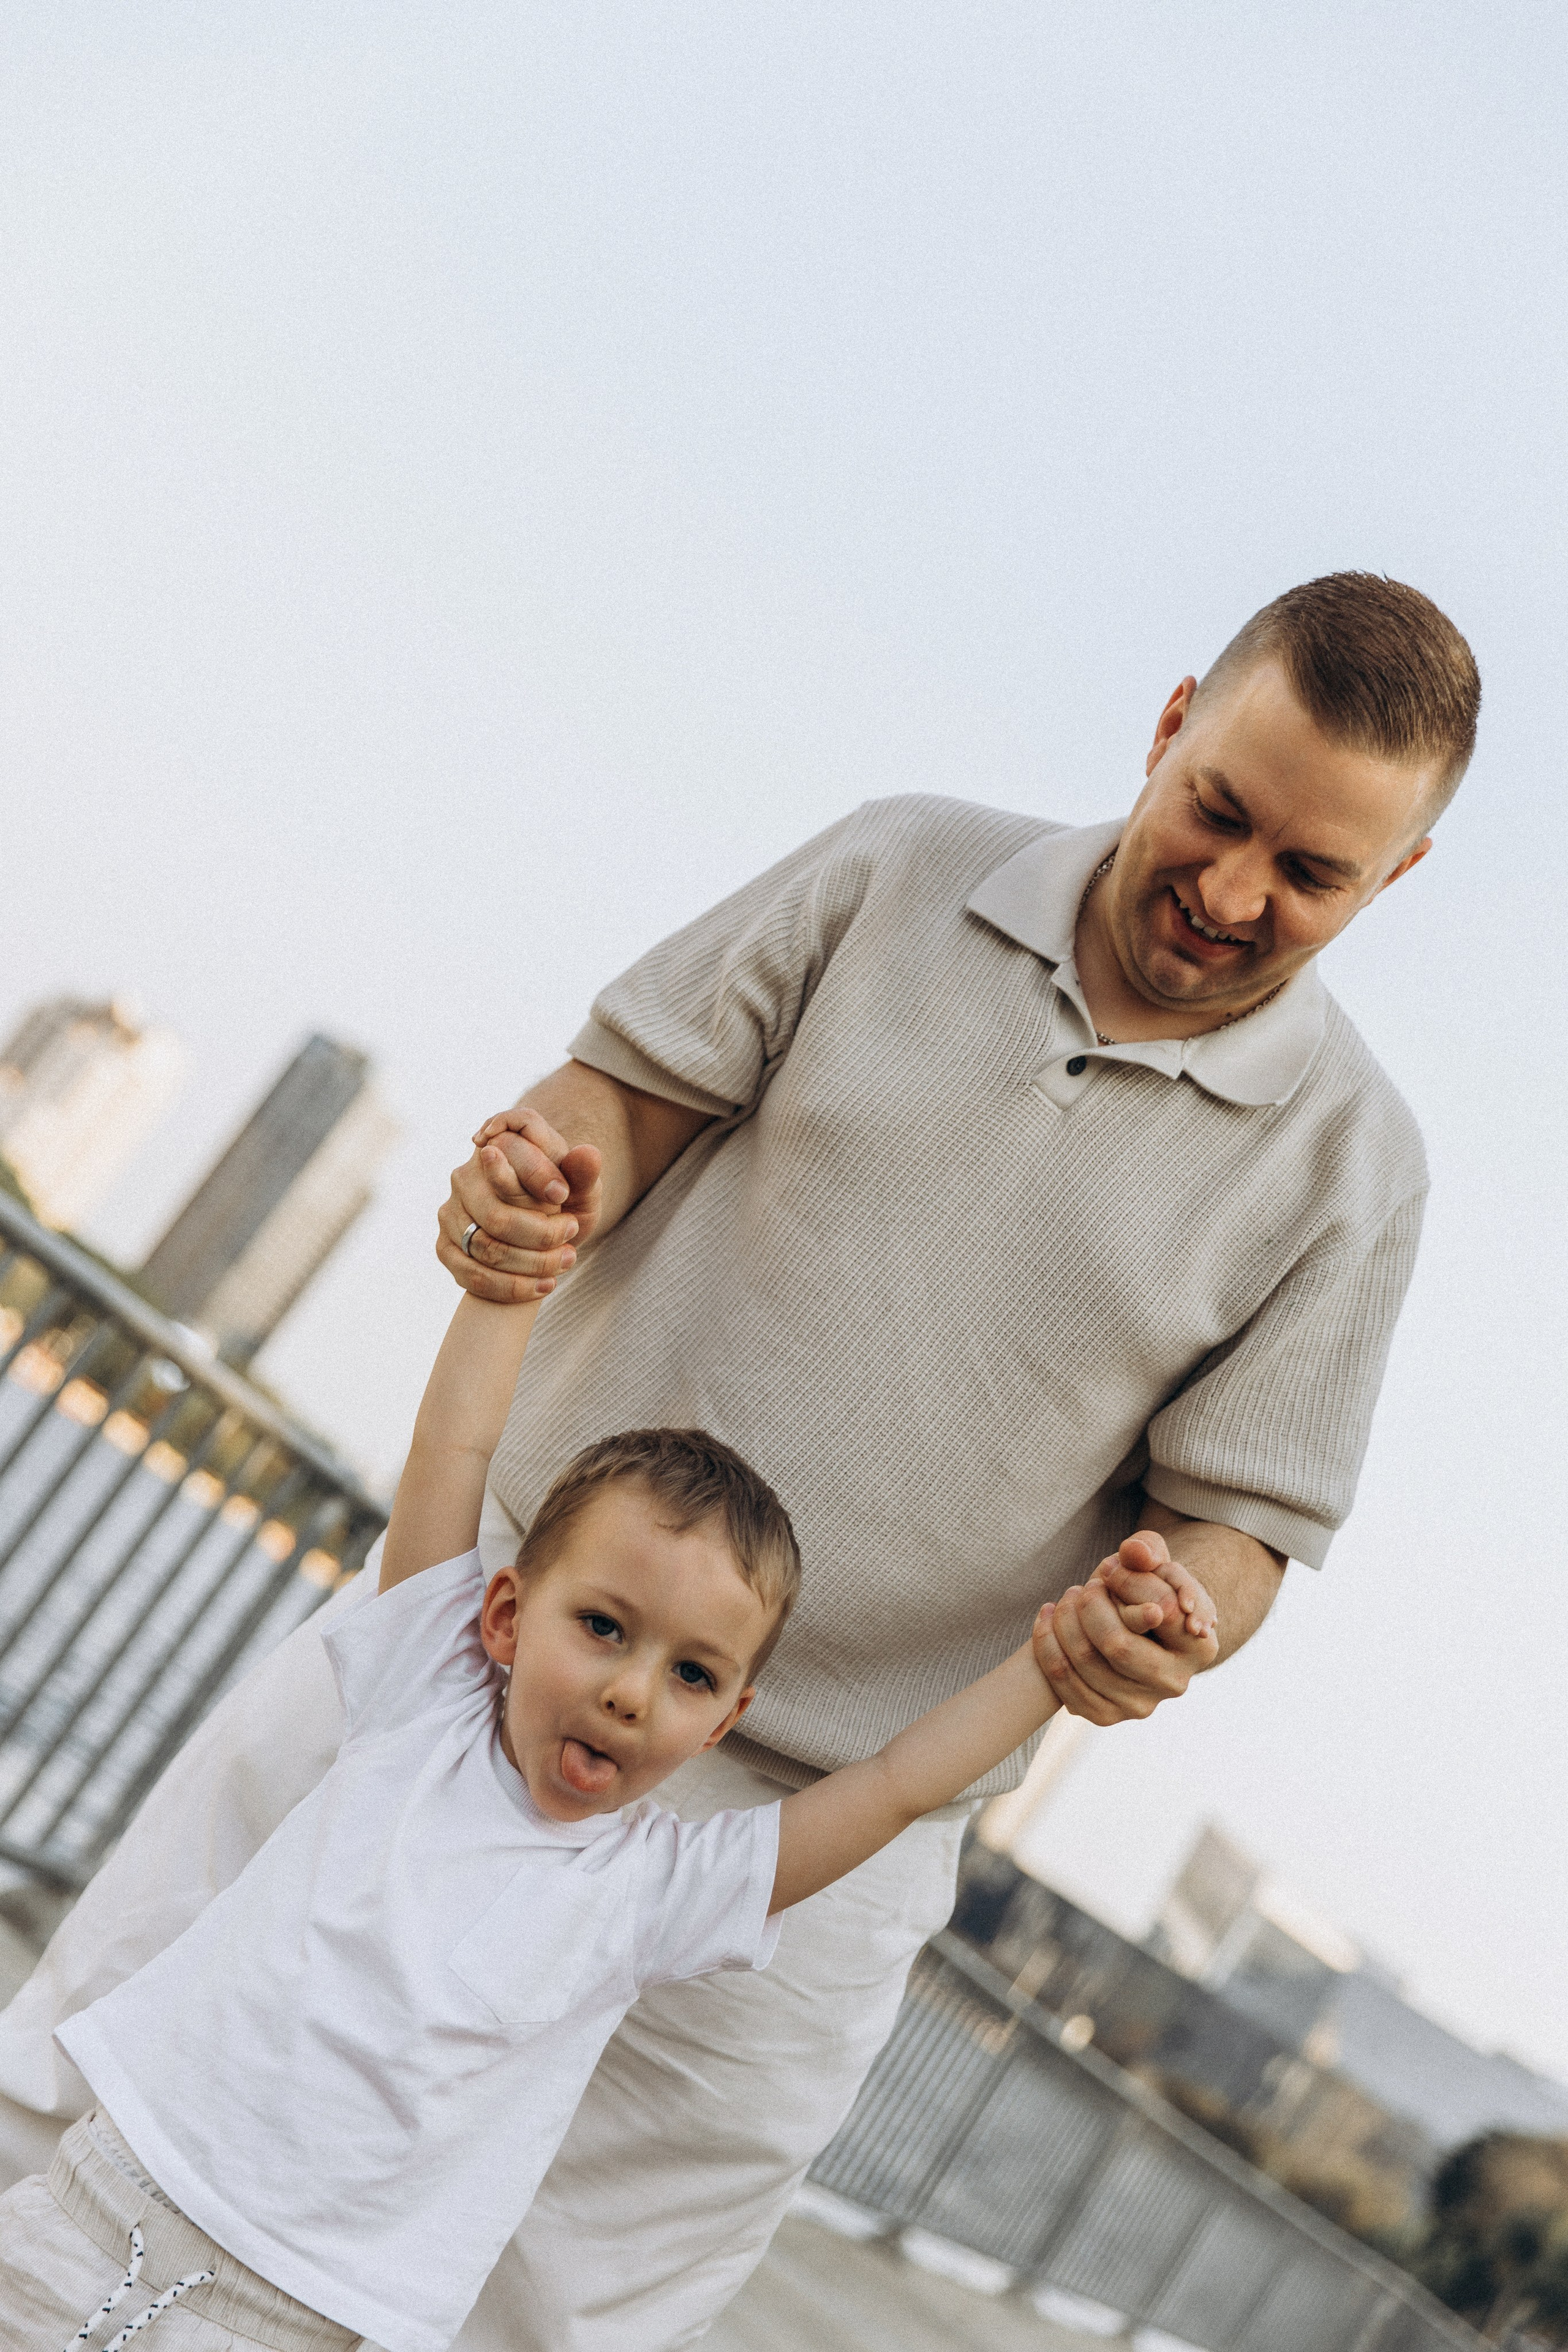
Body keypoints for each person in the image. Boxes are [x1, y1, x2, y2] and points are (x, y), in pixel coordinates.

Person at [0, 572, 1480, 2352]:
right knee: (98, 2056)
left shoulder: (1357, 1172)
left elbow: (1239, 1536)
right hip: (479, 1654)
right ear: (1170, 725)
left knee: (570, 2316)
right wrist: (540, 1174)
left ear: (1392, 882)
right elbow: (614, 1102)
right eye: (1219, 810)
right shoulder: (898, 866)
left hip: (813, 1851)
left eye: (1310, 874)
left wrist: (1177, 1614)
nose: (1234, 892)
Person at [0, 1149, 1205, 2352]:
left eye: (690, 1675)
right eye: (603, 1629)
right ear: (507, 1617)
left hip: (295, 2321)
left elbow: (891, 1786)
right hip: (100, 2199)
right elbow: (452, 1457)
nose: (632, 1693)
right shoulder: (418, 1697)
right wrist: (504, 1289)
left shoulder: (652, 1895)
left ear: (725, 1721)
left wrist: (1046, 1672)